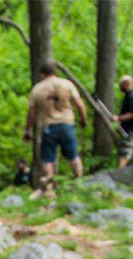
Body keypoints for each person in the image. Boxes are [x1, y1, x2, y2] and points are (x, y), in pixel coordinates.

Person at [23, 60, 88, 189]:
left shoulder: (37, 89)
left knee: (47, 159)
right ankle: (80, 182)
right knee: (73, 155)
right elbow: (80, 104)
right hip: (67, 124)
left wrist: (27, 130)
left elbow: (31, 113)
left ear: (42, 74)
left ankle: (50, 186)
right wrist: (83, 120)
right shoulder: (67, 84)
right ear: (54, 72)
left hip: (48, 126)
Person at [113, 75, 133, 168]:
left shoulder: (132, 96)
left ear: (125, 84)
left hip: (132, 129)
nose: (119, 87)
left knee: (125, 151)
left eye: (120, 84)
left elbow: (132, 114)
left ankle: (120, 172)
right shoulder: (129, 95)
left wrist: (119, 118)